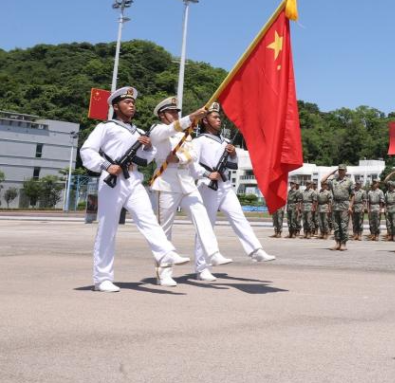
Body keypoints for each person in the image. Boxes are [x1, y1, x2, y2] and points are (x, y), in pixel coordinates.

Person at [79, 87, 190, 292]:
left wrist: (148, 147)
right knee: (107, 229)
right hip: (112, 179)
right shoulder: (106, 127)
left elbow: (146, 159)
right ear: (115, 106)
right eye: (126, 102)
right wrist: (105, 165)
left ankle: (166, 252)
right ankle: (102, 278)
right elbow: (87, 150)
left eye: (133, 102)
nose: (131, 105)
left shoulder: (139, 132)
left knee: (147, 217)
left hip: (133, 178)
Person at [149, 97, 231, 286]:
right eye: (172, 112)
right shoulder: (158, 130)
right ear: (162, 115)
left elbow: (193, 157)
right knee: (164, 228)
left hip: (186, 180)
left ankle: (212, 253)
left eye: (178, 112)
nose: (176, 115)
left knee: (202, 216)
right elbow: (170, 130)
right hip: (167, 181)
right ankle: (164, 272)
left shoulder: (185, 135)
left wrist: (183, 161)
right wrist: (191, 117)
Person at [193, 104, 275, 278]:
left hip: (225, 186)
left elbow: (233, 165)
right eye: (215, 117)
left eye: (218, 117)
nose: (218, 120)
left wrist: (232, 153)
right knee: (206, 226)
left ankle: (255, 250)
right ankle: (202, 268)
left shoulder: (225, 141)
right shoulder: (198, 141)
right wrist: (207, 173)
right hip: (208, 186)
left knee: (239, 217)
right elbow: (191, 164)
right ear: (205, 120)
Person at [322, 165, 354, 251]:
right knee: (335, 225)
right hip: (335, 204)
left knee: (343, 225)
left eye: (342, 170)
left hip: (344, 204)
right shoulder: (333, 181)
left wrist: (350, 206)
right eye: (339, 170)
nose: (340, 171)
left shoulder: (349, 181)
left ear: (345, 171)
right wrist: (331, 173)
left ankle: (343, 243)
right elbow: (322, 181)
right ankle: (337, 243)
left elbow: (353, 195)